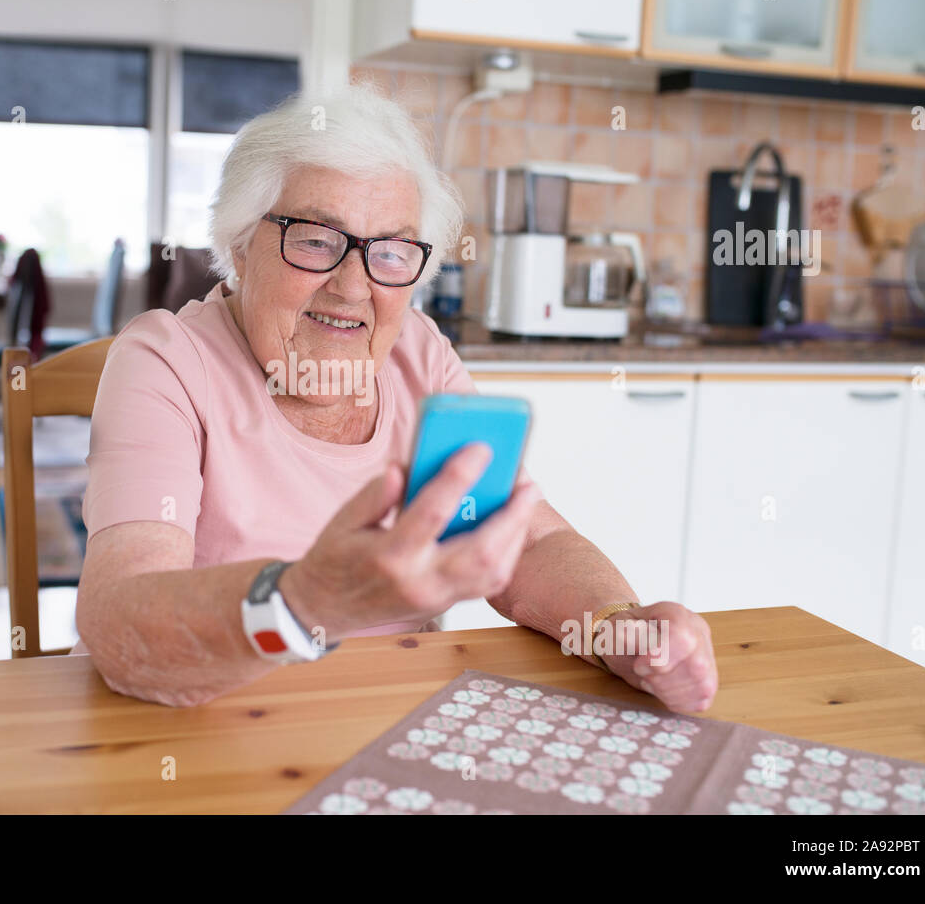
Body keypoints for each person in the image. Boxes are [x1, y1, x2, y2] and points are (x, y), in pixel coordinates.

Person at [73, 82, 717, 711]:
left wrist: (617, 629)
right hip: (198, 729)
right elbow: (119, 621)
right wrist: (305, 602)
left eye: (390, 251)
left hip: (388, 720)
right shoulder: (166, 362)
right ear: (241, 245)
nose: (353, 287)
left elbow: (528, 542)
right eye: (315, 240)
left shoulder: (420, 354)